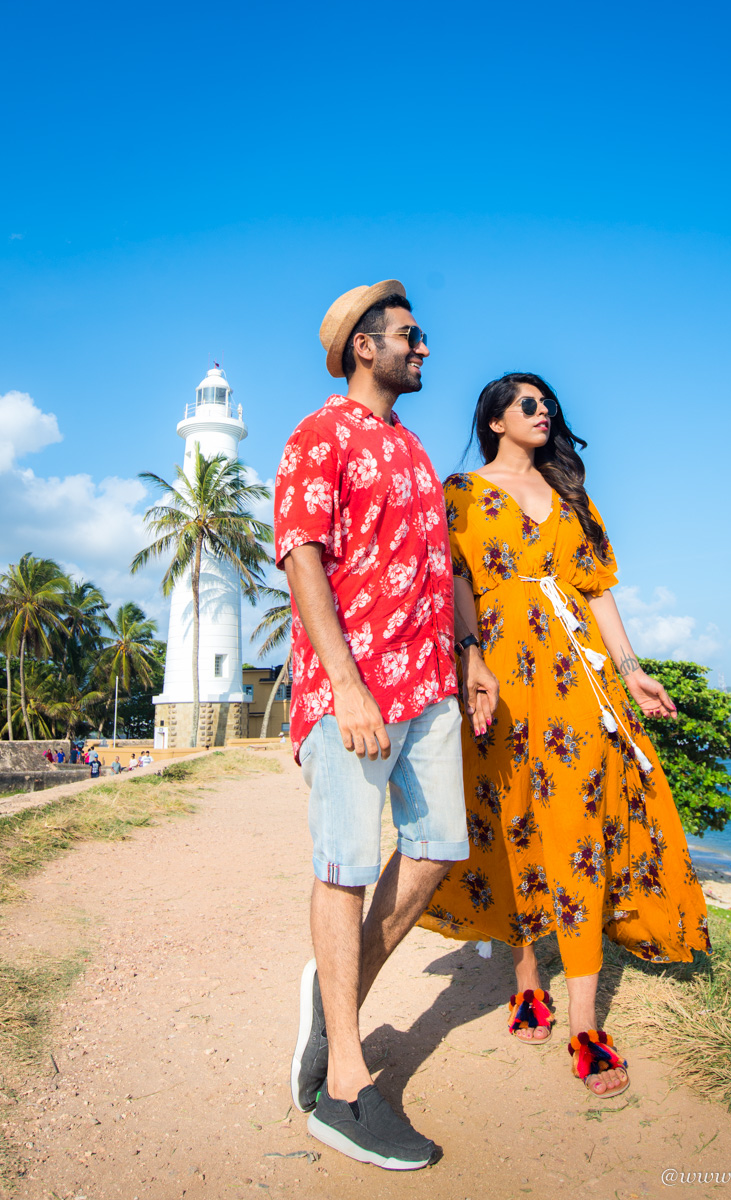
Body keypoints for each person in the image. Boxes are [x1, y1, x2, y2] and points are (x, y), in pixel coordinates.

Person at [419, 372, 711, 1099]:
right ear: (493, 420)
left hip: (578, 679)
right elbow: (455, 579)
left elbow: (597, 589)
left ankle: (584, 1020)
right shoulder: (458, 491)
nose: (542, 411)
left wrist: (634, 670)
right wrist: (470, 659)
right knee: (511, 823)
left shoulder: (571, 498)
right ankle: (525, 977)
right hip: (501, 681)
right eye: (526, 404)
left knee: (579, 825)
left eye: (547, 403)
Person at [275, 280, 471, 1171]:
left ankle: (334, 995)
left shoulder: (415, 449)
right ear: (365, 347)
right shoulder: (318, 435)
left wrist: (469, 656)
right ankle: (344, 1087)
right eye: (409, 335)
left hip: (428, 689)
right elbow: (301, 554)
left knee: (434, 853)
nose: (422, 347)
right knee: (346, 868)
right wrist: (346, 685)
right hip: (351, 692)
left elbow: (443, 566)